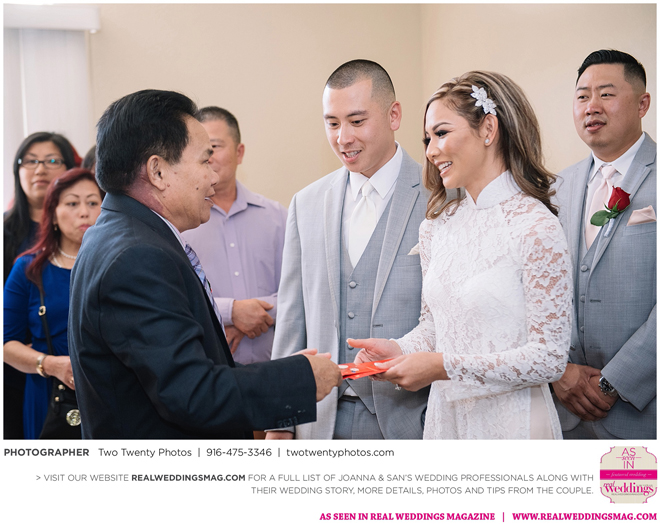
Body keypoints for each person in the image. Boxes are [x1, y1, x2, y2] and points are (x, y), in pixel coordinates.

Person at [68, 89, 340, 439]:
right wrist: (300, 378)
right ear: (158, 172)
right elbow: (192, 393)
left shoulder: (113, 234)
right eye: (203, 161)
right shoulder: (138, 257)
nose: (214, 177)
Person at [350, 71, 572, 439]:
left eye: (441, 133)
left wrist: (444, 368)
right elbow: (435, 327)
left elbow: (549, 359)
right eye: (427, 139)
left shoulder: (535, 226)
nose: (430, 151)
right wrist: (397, 349)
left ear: (488, 129)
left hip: (513, 425)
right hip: (447, 423)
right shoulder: (436, 228)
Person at [268, 59, 434, 440]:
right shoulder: (306, 204)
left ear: (394, 115)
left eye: (357, 121)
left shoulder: (439, 196)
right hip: (320, 423)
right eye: (332, 123)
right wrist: (279, 422)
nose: (343, 138)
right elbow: (292, 320)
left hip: (412, 422)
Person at [552, 50, 656, 439]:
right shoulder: (557, 188)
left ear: (642, 104)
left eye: (606, 94)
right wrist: (559, 372)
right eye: (582, 96)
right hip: (565, 412)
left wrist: (615, 382)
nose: (591, 106)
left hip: (643, 412)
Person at [182, 107, 287, 363]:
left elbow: (300, 293)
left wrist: (250, 315)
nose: (209, 157)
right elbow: (179, 299)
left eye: (215, 146)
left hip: (275, 367)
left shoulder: (277, 216)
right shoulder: (182, 224)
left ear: (239, 152)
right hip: (210, 370)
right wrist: (232, 312)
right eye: (201, 150)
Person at [4, 168, 103, 439]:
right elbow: (6, 344)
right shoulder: (29, 269)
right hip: (48, 395)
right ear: (53, 214)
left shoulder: (116, 264)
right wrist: (50, 365)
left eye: (92, 203)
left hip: (108, 391)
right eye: (72, 203)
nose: (84, 212)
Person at [3, 132, 77, 440]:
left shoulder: (85, 236)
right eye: (31, 161)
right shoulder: (8, 236)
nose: (40, 169)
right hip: (18, 371)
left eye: (52, 160)